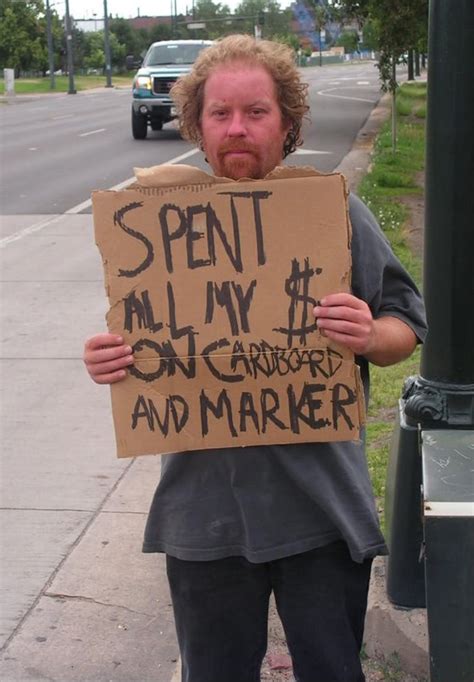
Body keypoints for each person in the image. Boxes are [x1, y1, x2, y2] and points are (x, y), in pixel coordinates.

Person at [84, 35, 427, 682]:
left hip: (322, 512)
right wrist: (110, 360)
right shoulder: (159, 222)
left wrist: (369, 334)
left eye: (256, 112)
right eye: (220, 113)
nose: (237, 129)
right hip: (202, 519)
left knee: (332, 669)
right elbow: (143, 344)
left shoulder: (333, 211)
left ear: (288, 122)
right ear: (197, 124)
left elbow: (406, 324)